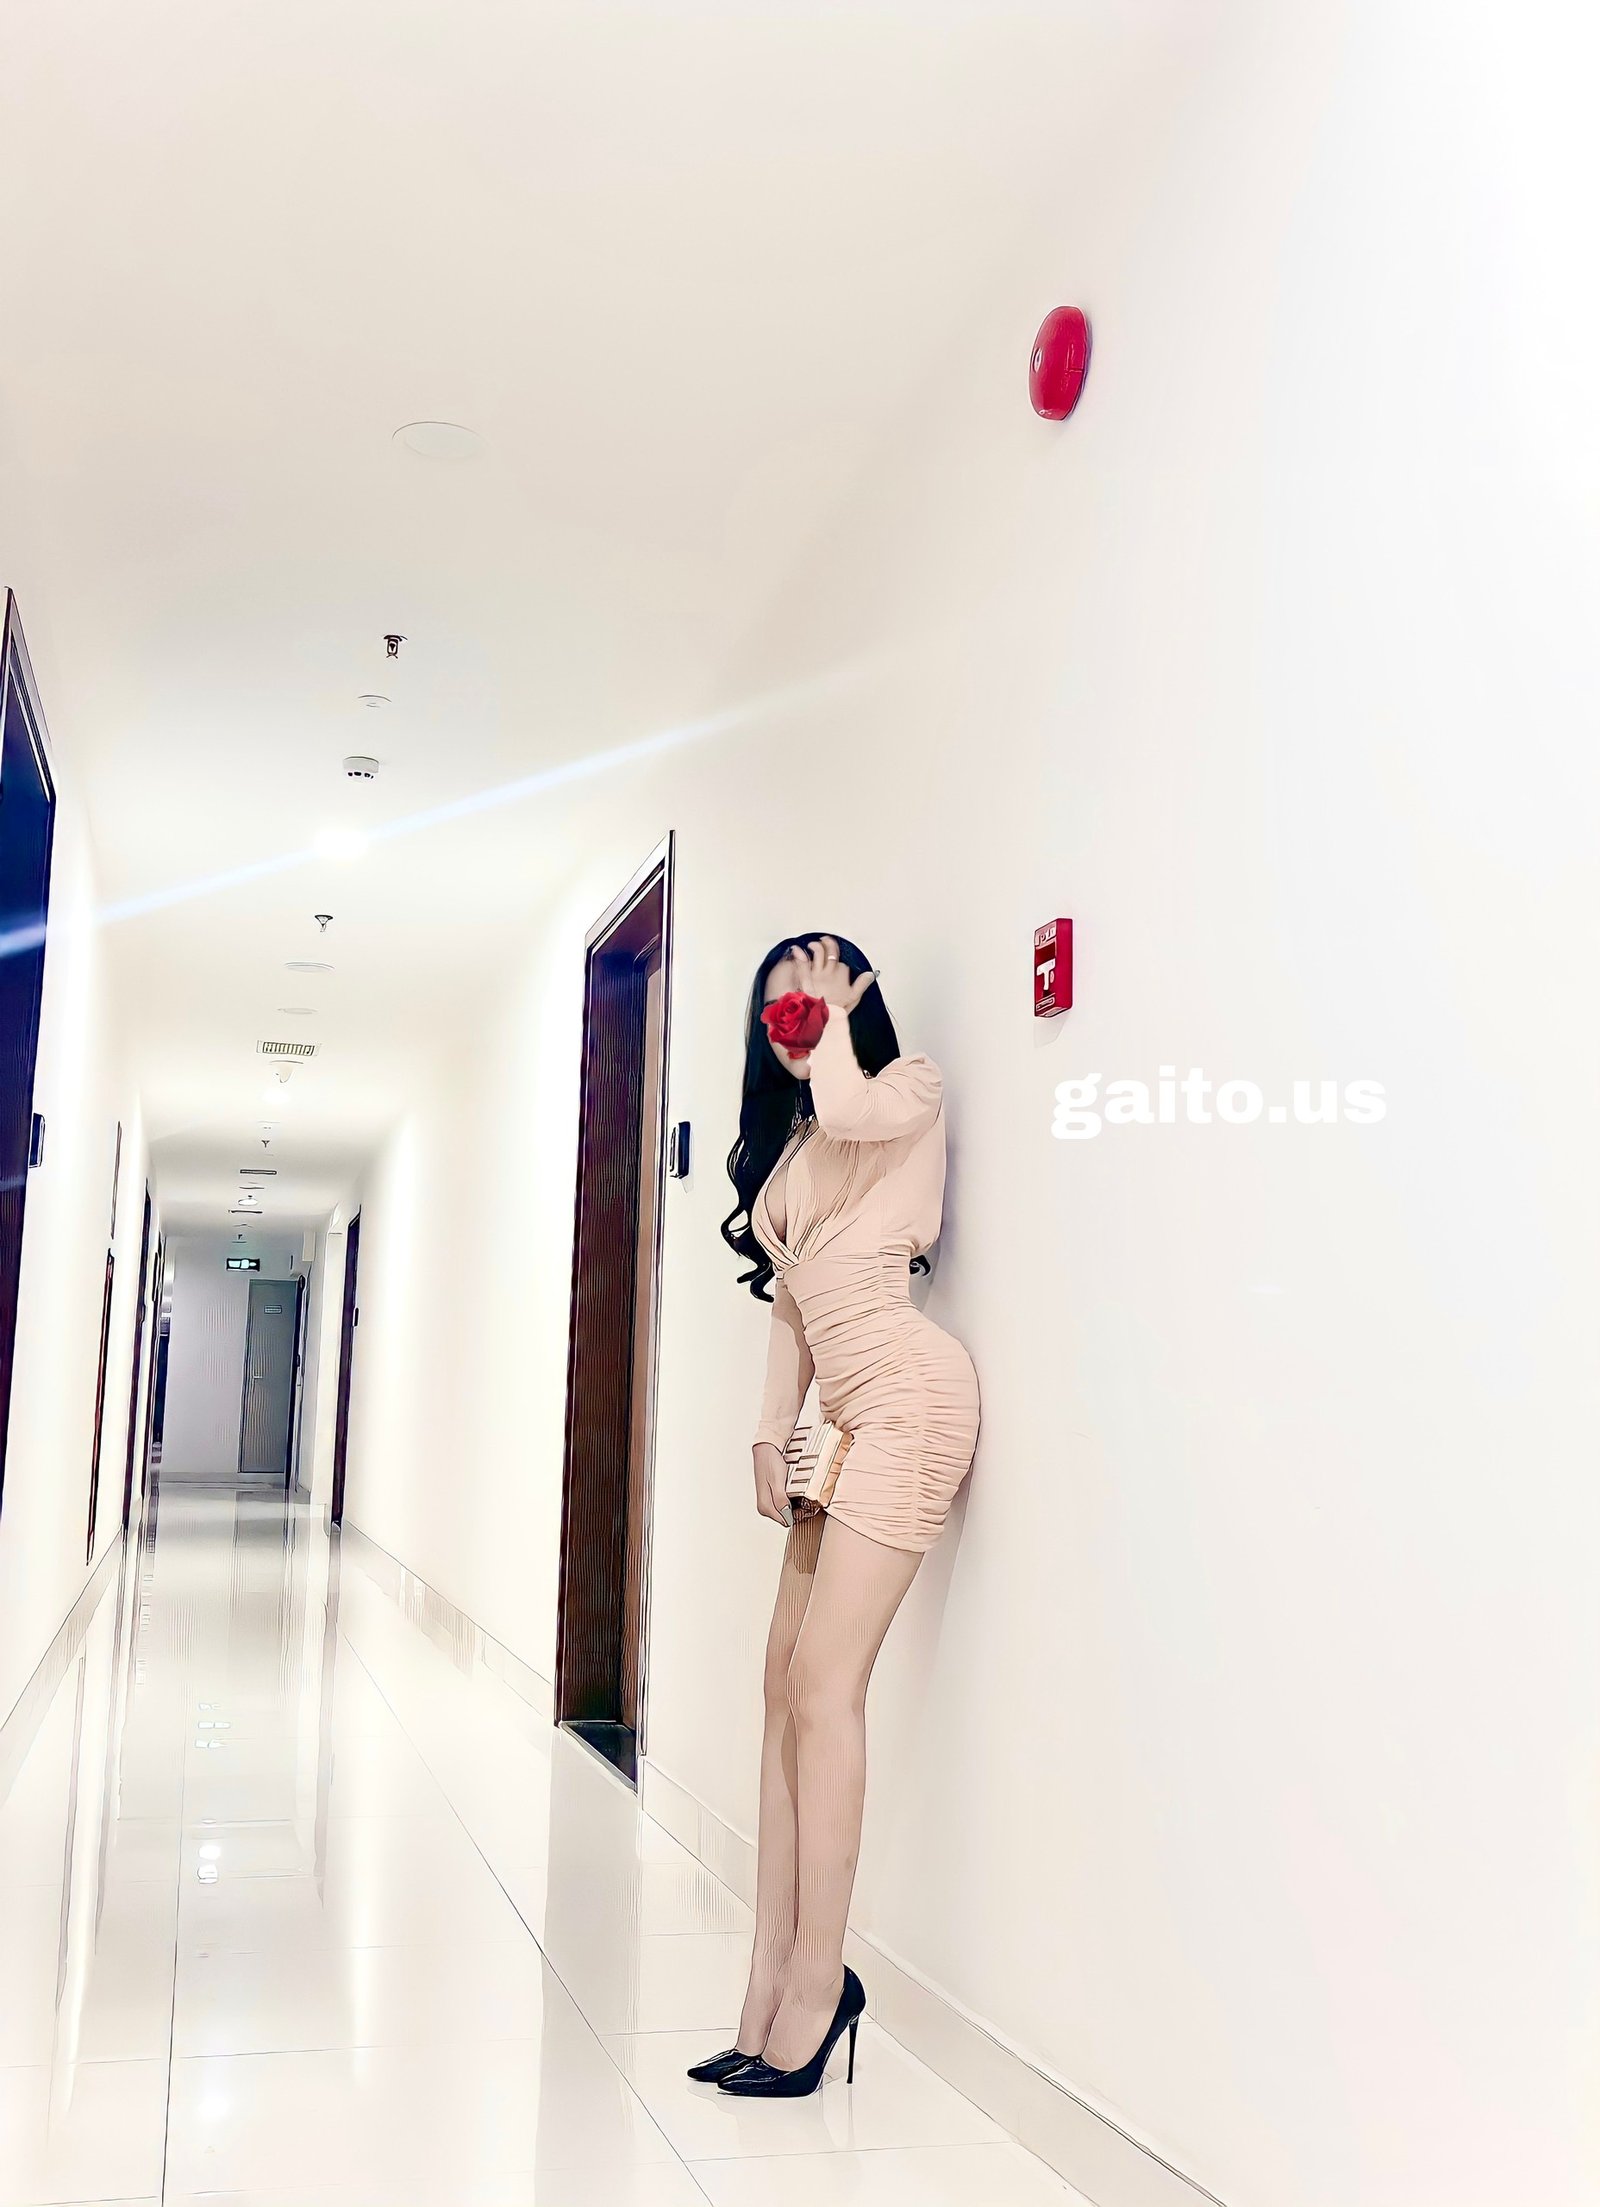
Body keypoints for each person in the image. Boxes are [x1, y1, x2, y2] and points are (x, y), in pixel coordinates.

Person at [689, 934, 980, 2099]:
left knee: (823, 1688)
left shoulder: (901, 1089)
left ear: (852, 1002)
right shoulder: (794, 1148)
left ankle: (819, 1985)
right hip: (842, 1415)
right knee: (778, 1687)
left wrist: (835, 1033)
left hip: (909, 1400)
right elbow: (791, 1307)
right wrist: (769, 1430)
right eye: (776, 1011)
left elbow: (851, 1104)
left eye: (809, 1002)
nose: (792, 1024)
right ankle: (766, 1984)